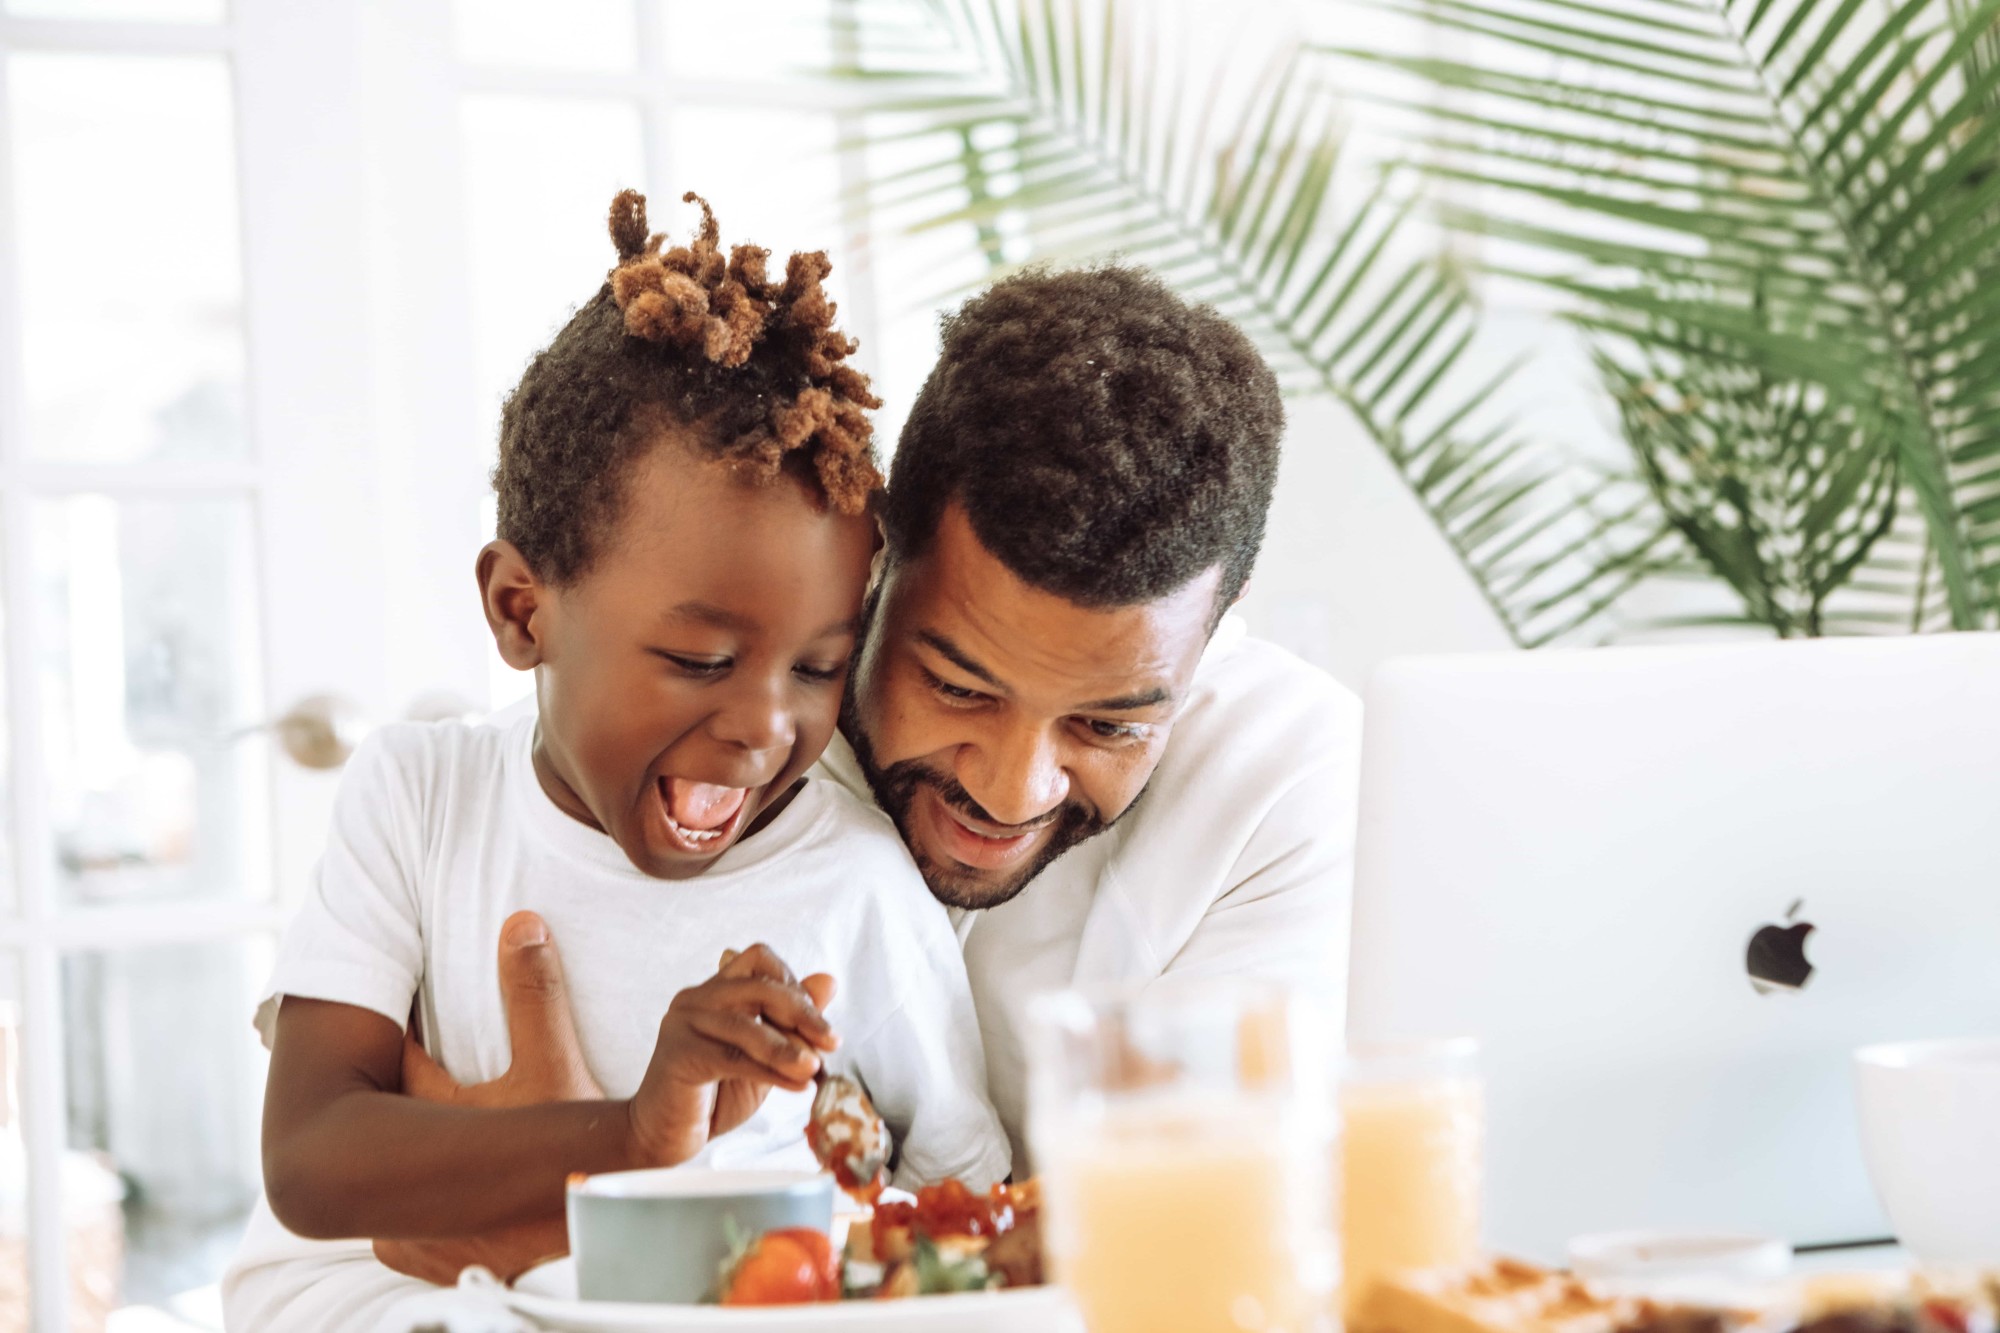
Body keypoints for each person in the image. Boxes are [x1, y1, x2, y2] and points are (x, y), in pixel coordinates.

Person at [379, 260, 1362, 1283]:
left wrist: (615, 1244)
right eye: (957, 687)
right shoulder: (653, 784)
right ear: (878, 560)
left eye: (1106, 726)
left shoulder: (1283, 784)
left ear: (1203, 655)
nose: (1010, 788)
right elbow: (302, 1279)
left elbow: (1190, 1278)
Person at [221, 191, 1008, 1331]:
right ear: (520, 609)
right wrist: (638, 1132)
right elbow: (309, 1157)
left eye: (816, 667)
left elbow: (961, 1211)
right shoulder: (421, 798)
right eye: (698, 657)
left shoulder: (852, 881)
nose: (761, 729)